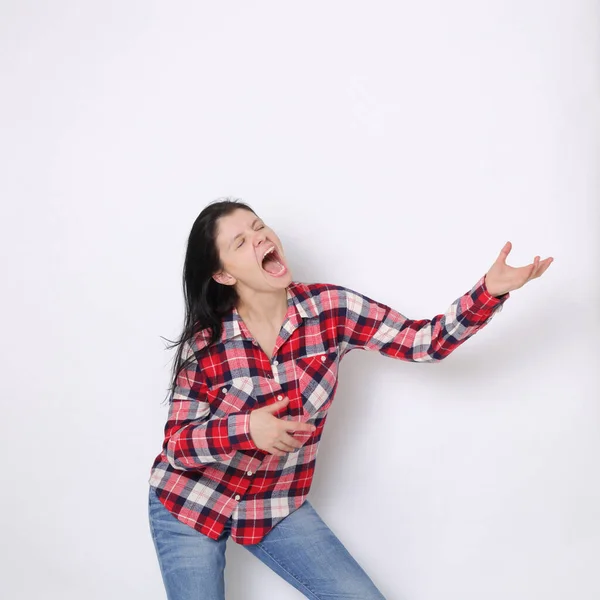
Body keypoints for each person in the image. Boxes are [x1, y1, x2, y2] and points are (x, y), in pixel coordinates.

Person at [147, 197, 553, 600]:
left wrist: (490, 291)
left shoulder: (331, 310)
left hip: (273, 503)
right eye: (240, 242)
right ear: (222, 275)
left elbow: (421, 342)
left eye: (259, 227)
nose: (259, 238)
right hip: (189, 502)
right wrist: (246, 429)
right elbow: (177, 447)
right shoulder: (206, 344)